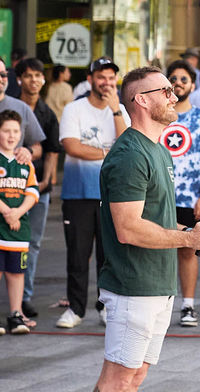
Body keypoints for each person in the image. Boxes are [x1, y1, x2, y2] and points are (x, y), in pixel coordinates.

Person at [94, 66, 200, 392]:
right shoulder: (130, 155)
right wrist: (188, 238)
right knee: (118, 380)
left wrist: (192, 230)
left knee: (135, 377)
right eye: (165, 91)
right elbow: (128, 229)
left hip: (159, 285)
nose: (174, 95)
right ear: (141, 100)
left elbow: (157, 219)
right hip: (132, 286)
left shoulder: (160, 150)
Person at [57, 57, 124, 329]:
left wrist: (116, 110)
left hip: (111, 195)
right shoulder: (74, 109)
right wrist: (109, 152)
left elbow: (127, 144)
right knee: (77, 254)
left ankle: (105, 306)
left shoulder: (120, 110)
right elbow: (72, 147)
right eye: (101, 77)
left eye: (110, 77)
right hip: (78, 193)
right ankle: (75, 308)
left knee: (108, 256)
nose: (106, 82)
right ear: (90, 79)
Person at [159, 60, 200, 327]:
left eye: (184, 79)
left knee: (188, 250)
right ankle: (160, 305)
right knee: (158, 250)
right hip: (159, 198)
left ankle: (188, 305)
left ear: (193, 85)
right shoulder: (159, 116)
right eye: (173, 78)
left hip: (190, 198)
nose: (178, 83)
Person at [15, 57, 59, 320]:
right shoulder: (10, 108)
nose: (34, 80)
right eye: (29, 75)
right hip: (8, 188)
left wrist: (47, 182)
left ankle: (25, 297)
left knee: (32, 243)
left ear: (44, 80)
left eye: (38, 76)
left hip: (37, 188)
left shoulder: (47, 113)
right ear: (19, 79)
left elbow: (52, 151)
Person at [0, 110, 38, 335]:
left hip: (18, 230)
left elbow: (32, 192)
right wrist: (7, 212)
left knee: (16, 272)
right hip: (2, 225)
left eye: (15, 131)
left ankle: (16, 314)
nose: (11, 135)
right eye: (6, 131)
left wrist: (18, 213)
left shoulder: (25, 163)